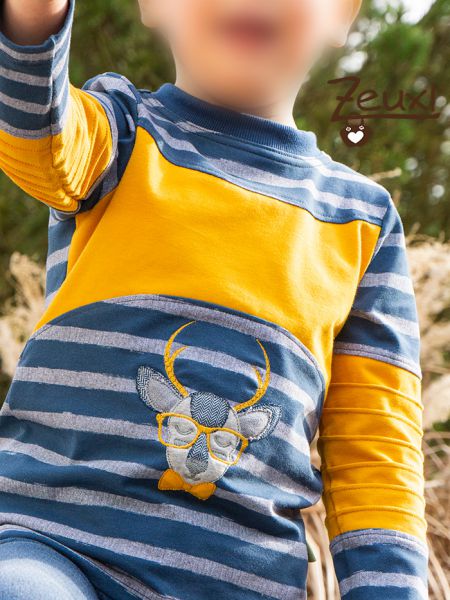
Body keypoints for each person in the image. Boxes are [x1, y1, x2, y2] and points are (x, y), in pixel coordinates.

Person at [0, 1, 428, 598]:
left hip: (240, 584)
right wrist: (34, 15)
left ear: (340, 15)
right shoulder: (118, 136)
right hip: (56, 549)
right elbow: (37, 132)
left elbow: (375, 454)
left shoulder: (363, 222)